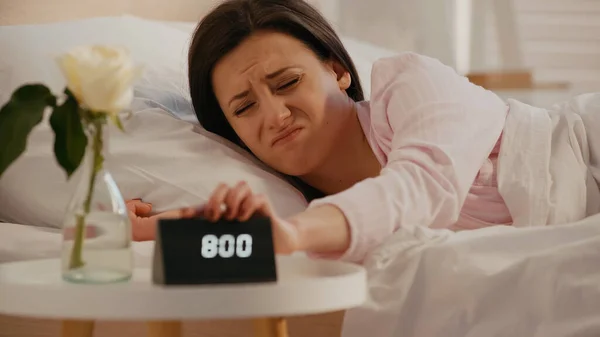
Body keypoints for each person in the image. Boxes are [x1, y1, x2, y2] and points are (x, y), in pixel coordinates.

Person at [127, 0, 600, 263]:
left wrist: (296, 234)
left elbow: (424, 186)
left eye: (288, 82)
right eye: (245, 107)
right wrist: (132, 232)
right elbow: (249, 237)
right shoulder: (298, 206)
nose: (274, 115)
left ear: (337, 71)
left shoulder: (411, 85)